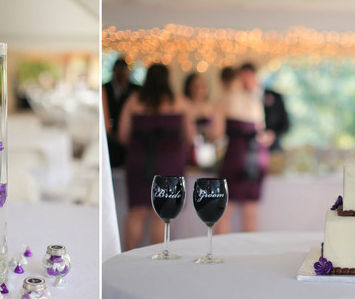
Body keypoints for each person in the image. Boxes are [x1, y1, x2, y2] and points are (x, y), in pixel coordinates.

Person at [119, 63, 195, 250]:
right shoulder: (179, 102)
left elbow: (122, 135)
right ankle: (157, 261)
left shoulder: (134, 101)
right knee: (162, 214)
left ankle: (128, 259)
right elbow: (191, 136)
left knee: (136, 211)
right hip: (169, 162)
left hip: (139, 160)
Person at [212, 66, 273, 234]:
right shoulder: (255, 102)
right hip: (257, 158)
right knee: (250, 210)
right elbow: (262, 132)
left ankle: (221, 252)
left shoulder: (226, 99)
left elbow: (216, 134)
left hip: (236, 155)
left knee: (225, 209)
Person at [238, 62, 290, 152]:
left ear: (254, 75)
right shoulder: (239, 101)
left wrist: (272, 134)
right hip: (248, 149)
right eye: (242, 79)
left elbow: (285, 124)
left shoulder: (275, 96)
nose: (245, 82)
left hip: (273, 149)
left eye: (247, 77)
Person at [103, 57, 139, 168]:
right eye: (119, 69)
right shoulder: (105, 88)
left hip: (130, 135)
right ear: (114, 70)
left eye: (125, 70)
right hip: (110, 134)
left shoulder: (136, 90)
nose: (123, 73)